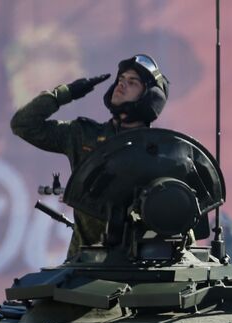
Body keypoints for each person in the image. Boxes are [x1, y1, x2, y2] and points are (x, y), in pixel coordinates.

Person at [11, 53, 170, 257]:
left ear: (149, 96)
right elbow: (23, 124)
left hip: (139, 266)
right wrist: (66, 93)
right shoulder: (83, 135)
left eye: (132, 82)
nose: (121, 85)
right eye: (120, 79)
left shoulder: (159, 151)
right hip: (84, 266)